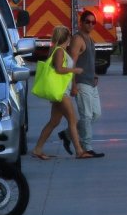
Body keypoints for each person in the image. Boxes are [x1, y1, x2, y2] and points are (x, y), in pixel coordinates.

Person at [31, 26, 90, 160]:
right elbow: (59, 69)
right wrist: (75, 71)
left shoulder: (60, 50)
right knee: (72, 120)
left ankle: (37, 149)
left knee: (54, 121)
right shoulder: (59, 51)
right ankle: (79, 151)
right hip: (62, 92)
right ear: (67, 38)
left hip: (61, 91)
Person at [59, 11, 105, 159]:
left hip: (91, 82)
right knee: (85, 116)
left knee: (95, 114)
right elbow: (71, 63)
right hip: (81, 82)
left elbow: (90, 60)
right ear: (81, 22)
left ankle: (67, 134)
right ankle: (87, 147)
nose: (90, 25)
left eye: (93, 22)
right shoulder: (78, 39)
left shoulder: (90, 39)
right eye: (87, 22)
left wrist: (95, 74)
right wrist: (73, 85)